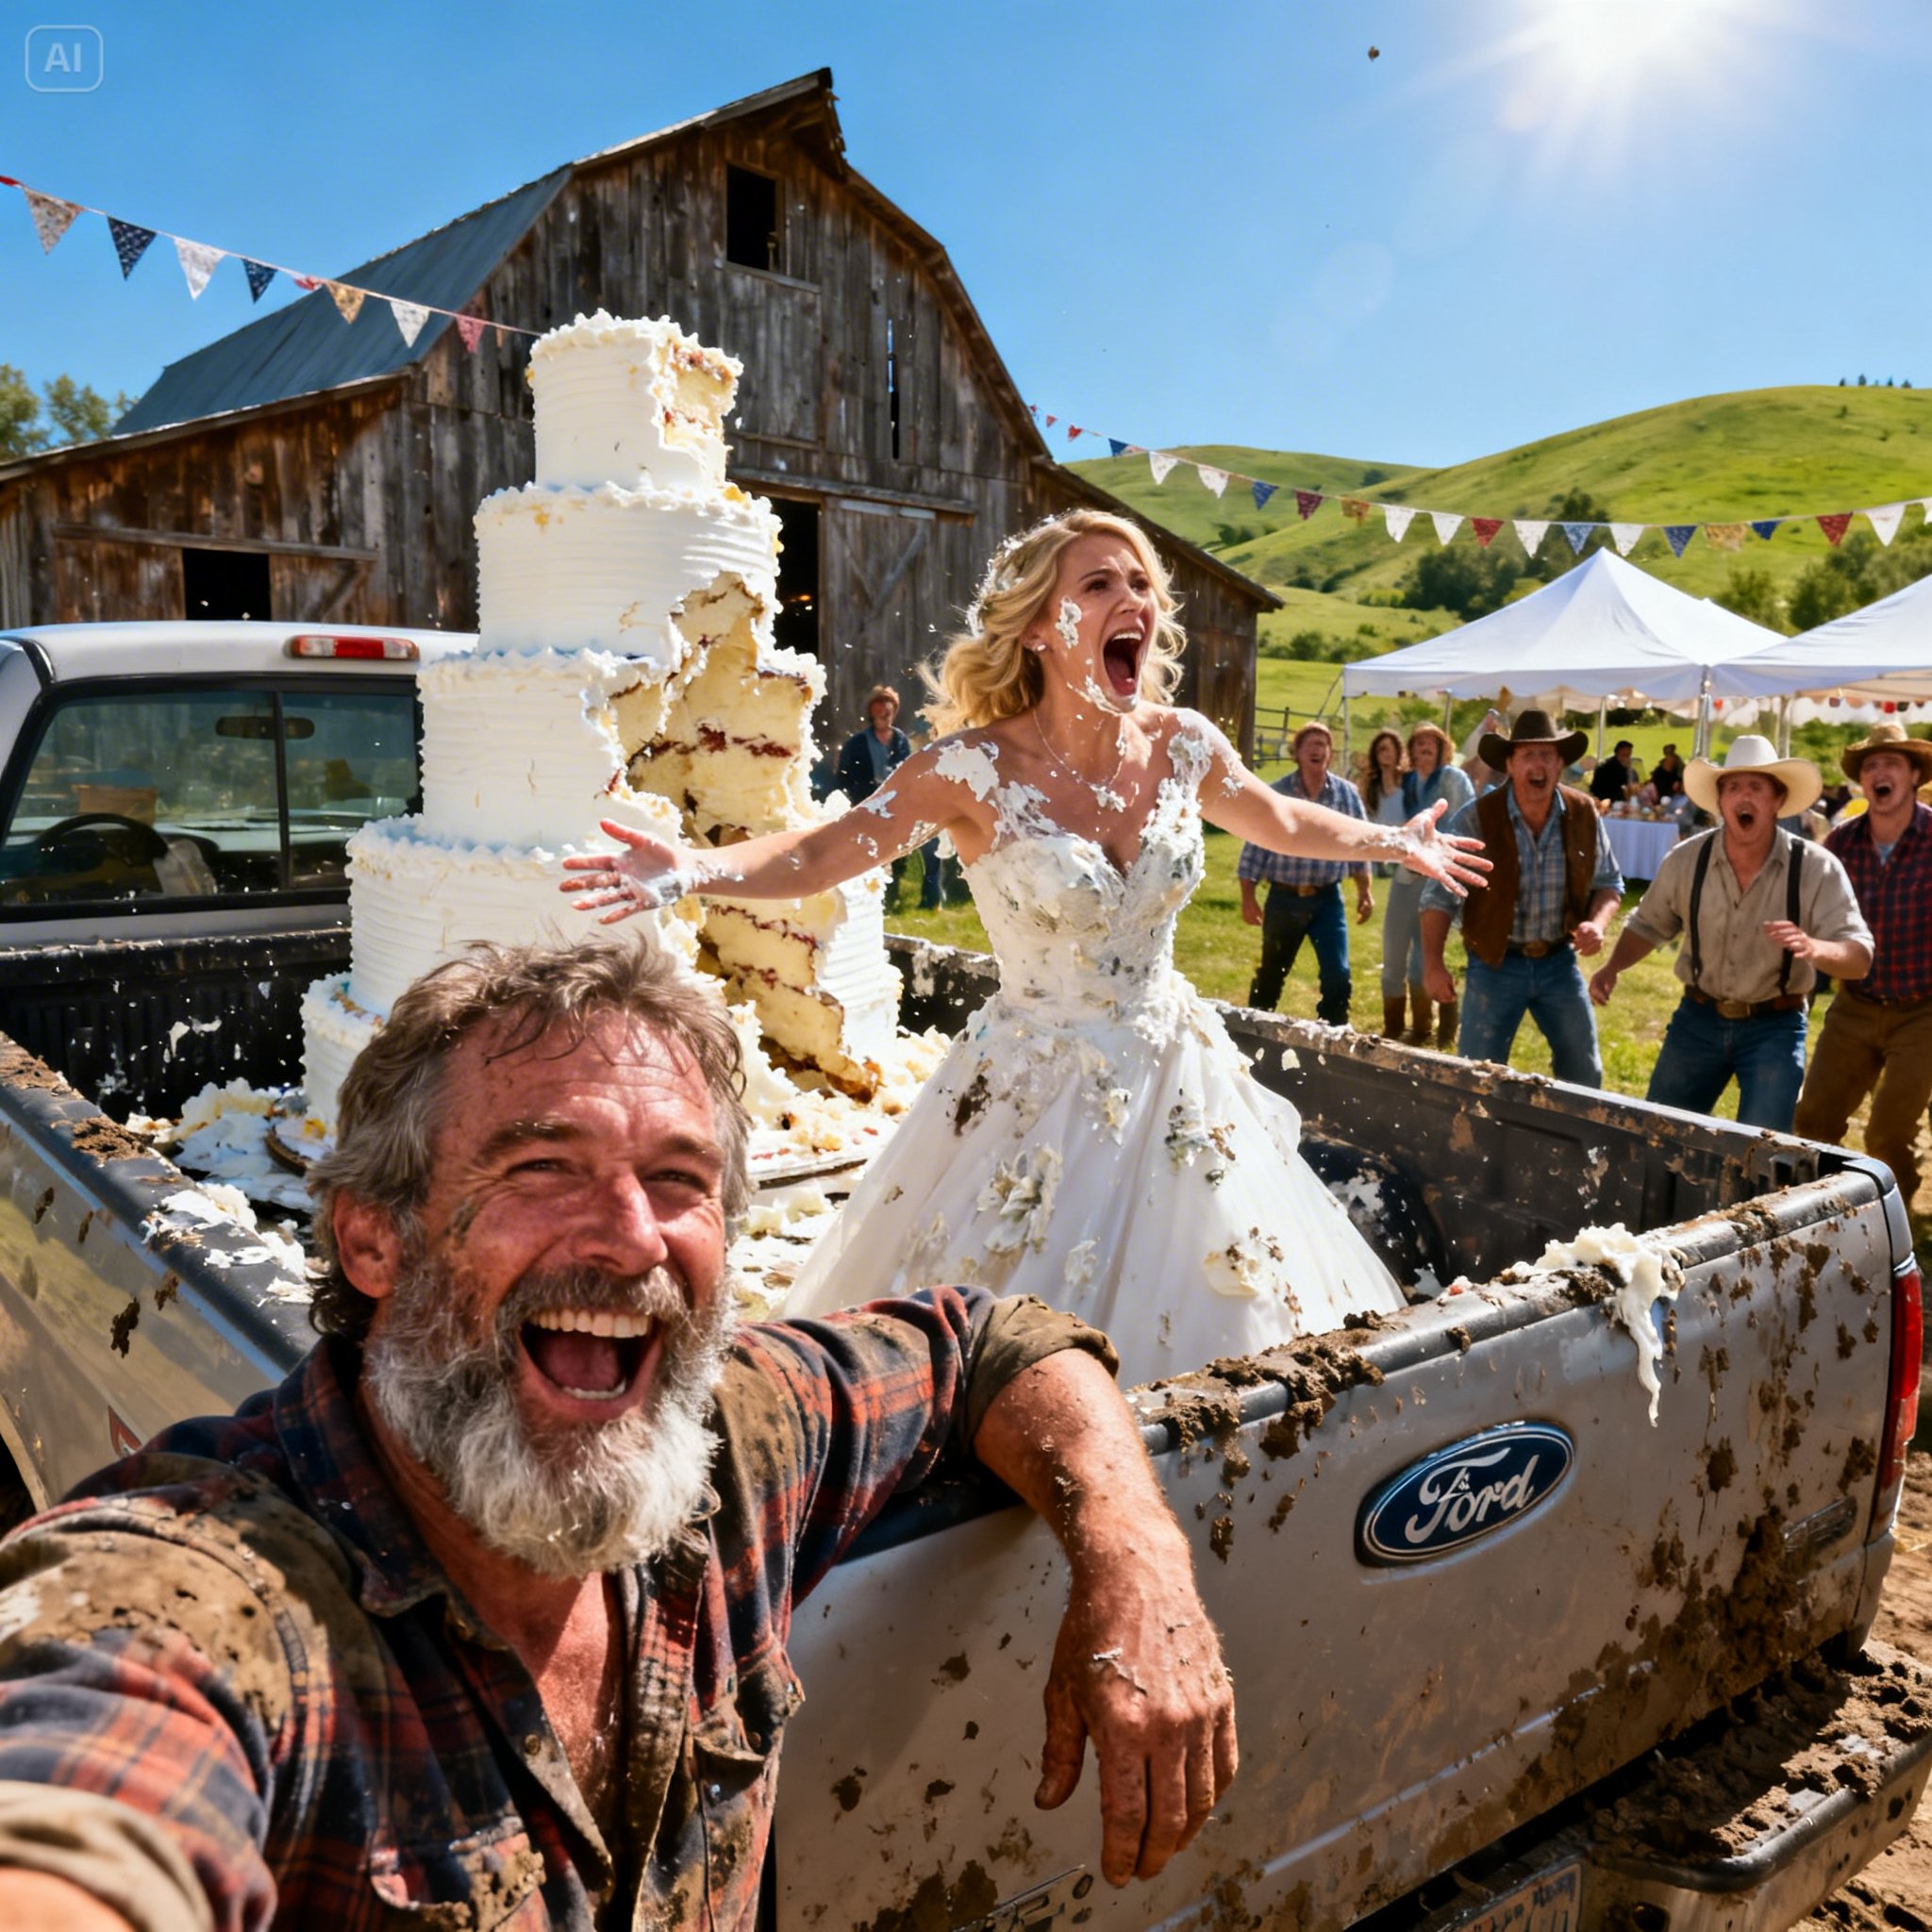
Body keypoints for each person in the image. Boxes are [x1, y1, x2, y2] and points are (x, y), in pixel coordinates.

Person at [0, 941, 1238, 1928]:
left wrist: (1135, 1566)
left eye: (682, 1180)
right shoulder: (214, 1588)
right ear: (370, 1238)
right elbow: (95, 1784)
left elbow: (990, 1345)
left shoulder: (734, 1450)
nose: (635, 1239)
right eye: (543, 1166)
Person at [565, 509, 1488, 1385]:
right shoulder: (968, 769)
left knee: (1236, 1306)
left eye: (1139, 581)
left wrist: (1392, 841)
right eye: (1098, 583)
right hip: (1030, 1086)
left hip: (1176, 1074)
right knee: (998, 1342)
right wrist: (688, 867)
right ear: (1043, 625)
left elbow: (1280, 816)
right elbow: (824, 850)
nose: (1133, 597)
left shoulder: (1181, 745)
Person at [1589, 738, 1872, 1131]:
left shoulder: (1815, 867)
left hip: (1776, 1024)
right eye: (1733, 788)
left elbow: (1858, 957)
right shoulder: (1688, 859)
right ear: (1720, 802)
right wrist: (1612, 967)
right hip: (1697, 1019)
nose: (1744, 797)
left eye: (1756, 787)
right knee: (1659, 1135)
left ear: (1777, 800)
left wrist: (1815, 947)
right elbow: (1648, 924)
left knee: (1766, 1151)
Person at [1419, 709, 1624, 1087]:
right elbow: (1439, 895)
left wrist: (1597, 923)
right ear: (1510, 764)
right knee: (1476, 1074)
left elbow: (1609, 883)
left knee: (1585, 1072)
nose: (1538, 764)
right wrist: (1432, 964)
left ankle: (1574, 1141)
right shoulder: (1476, 817)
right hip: (1494, 962)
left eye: (1547, 755)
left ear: (1560, 764)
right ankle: (1475, 1142)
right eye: (1527, 755)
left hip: (1558, 962)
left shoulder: (1583, 814)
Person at [1793, 724, 1932, 1197]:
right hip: (1856, 1004)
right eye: (1871, 766)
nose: (1880, 772)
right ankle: (1822, 1210)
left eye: (1891, 763)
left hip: (1922, 1011)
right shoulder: (1841, 843)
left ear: (1913, 775)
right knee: (1812, 1121)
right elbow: (1814, 920)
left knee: (1888, 1134)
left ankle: (1897, 1224)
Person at [1239, 721, 1373, 1025]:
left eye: (1323, 745)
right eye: (1310, 744)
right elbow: (1254, 850)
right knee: (1272, 973)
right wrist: (1248, 897)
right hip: (1284, 900)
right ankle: (1252, 1033)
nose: (1317, 750)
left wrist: (1365, 891)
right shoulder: (1277, 794)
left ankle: (1334, 1037)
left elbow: (1360, 845)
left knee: (1338, 976)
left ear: (1330, 755)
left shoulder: (1347, 795)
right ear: (1296, 753)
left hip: (1327, 900)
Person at [1385, 723, 1474, 1048]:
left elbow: (1468, 819)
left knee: (1424, 958)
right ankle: (1394, 1028)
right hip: (1405, 876)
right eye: (1419, 742)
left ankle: (1434, 1030)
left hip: (1438, 877)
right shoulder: (1406, 782)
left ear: (1441, 748)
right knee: (1393, 950)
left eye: (1431, 743)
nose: (1424, 747)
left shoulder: (1453, 778)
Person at [835, 684, 946, 909]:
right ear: (872, 710)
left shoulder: (900, 740)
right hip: (866, 807)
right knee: (877, 853)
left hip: (898, 805)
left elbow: (908, 773)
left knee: (933, 843)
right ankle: (884, 896)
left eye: (889, 709)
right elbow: (843, 778)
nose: (885, 714)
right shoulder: (856, 743)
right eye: (880, 708)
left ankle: (931, 899)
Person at [1358, 729, 1407, 1038]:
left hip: (1404, 858)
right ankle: (1394, 1023)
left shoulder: (1409, 781)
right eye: (1380, 750)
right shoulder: (1372, 786)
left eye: (1389, 749)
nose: (1384, 755)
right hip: (1380, 855)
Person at [1591, 740, 1641, 807]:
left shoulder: (1630, 771)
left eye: (1628, 755)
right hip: (1606, 803)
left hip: (1624, 804)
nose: (1627, 759)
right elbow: (1604, 791)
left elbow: (1634, 786)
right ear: (1616, 754)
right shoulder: (1605, 770)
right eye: (1624, 755)